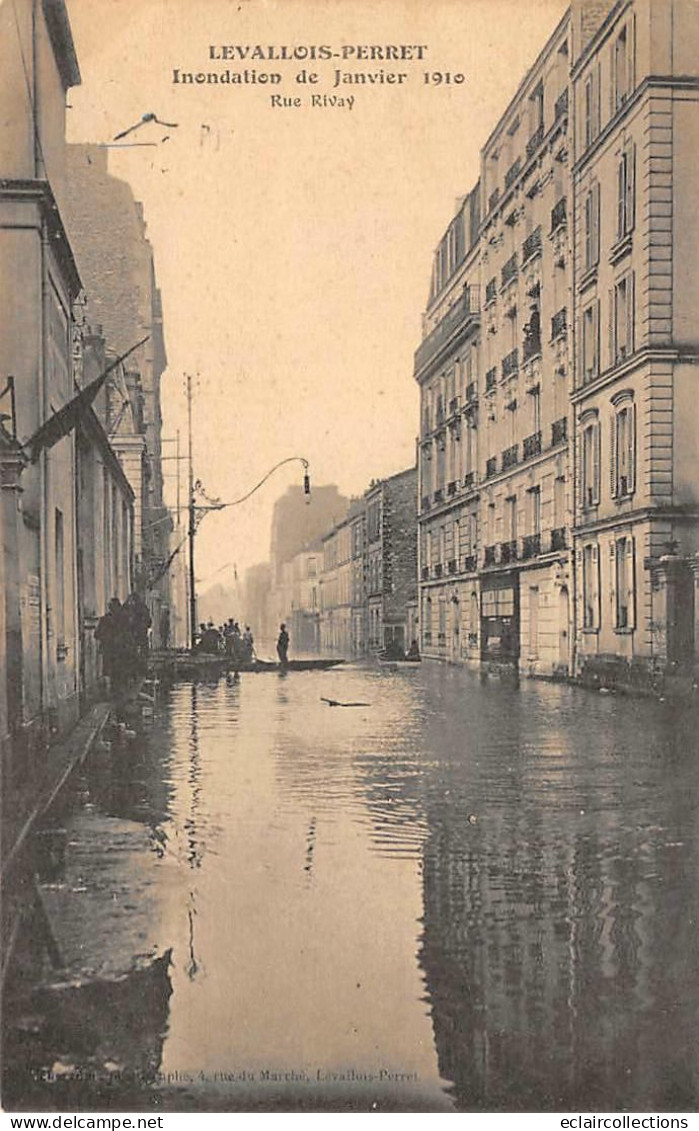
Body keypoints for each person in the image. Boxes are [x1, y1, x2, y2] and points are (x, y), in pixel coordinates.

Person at [96, 597, 131, 706]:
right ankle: (119, 697)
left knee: (111, 674)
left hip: (110, 651)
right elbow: (129, 636)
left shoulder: (105, 620)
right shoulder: (125, 619)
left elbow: (96, 634)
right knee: (120, 675)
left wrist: (106, 639)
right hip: (121, 652)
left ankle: (113, 696)